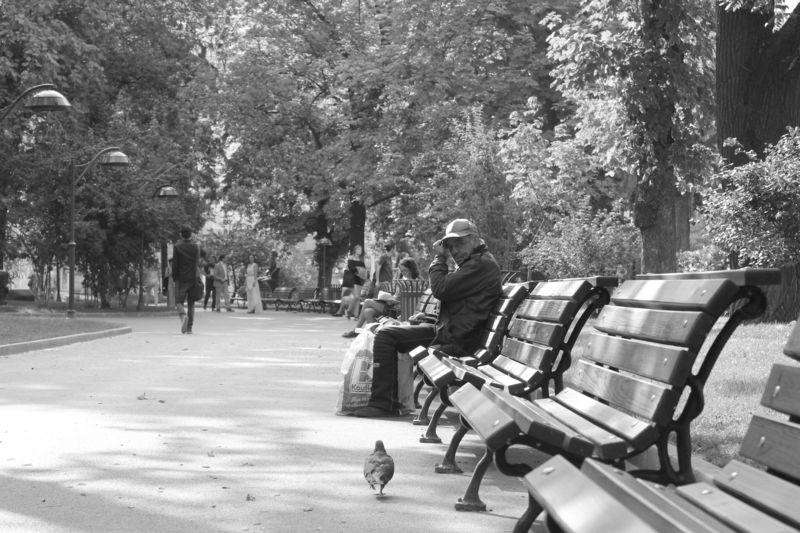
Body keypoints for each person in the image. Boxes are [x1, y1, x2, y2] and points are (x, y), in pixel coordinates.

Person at [351, 219, 502, 417]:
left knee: (386, 336)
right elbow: (462, 304)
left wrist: (439, 258)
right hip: (456, 333)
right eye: (450, 247)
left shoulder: (480, 265)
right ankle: (386, 401)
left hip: (459, 340)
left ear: (474, 239)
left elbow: (441, 289)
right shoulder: (476, 261)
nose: (454, 250)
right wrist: (429, 317)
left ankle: (382, 403)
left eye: (459, 243)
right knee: (387, 334)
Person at [342, 257, 419, 338]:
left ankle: (356, 330)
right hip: (393, 307)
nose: (403, 273)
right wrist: (389, 298)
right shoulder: (405, 280)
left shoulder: (414, 282)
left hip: (397, 311)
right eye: (402, 271)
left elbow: (406, 301)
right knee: (368, 311)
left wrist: (393, 299)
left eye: (405, 270)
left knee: (367, 301)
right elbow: (398, 297)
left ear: (411, 269)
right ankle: (378, 337)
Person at [172, 226, 202, 334]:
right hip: (193, 277)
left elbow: (175, 264)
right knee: (191, 303)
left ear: (181, 234)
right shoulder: (196, 246)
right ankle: (189, 328)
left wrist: (174, 276)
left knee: (178, 302)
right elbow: (197, 262)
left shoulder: (177, 246)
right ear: (191, 234)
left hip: (181, 278)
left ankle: (183, 315)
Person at [345, 244, 367, 319]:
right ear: (355, 250)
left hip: (359, 280)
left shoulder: (360, 260)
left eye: (361, 250)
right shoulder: (351, 258)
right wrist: (358, 272)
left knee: (357, 298)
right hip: (353, 279)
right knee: (356, 297)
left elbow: (364, 269)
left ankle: (356, 315)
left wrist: (363, 275)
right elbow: (351, 267)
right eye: (358, 249)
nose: (360, 251)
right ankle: (349, 311)